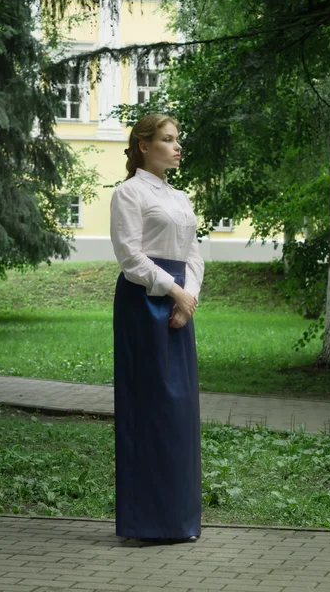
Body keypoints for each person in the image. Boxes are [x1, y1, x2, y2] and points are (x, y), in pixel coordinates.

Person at [110, 113, 205, 544]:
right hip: (143, 306)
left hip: (178, 306)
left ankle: (178, 520)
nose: (177, 146)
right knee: (149, 409)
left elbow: (193, 254)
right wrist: (173, 292)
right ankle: (146, 523)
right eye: (168, 139)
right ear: (144, 146)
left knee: (180, 411)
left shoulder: (181, 197)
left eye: (178, 139)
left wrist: (190, 298)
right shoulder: (128, 194)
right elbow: (131, 259)